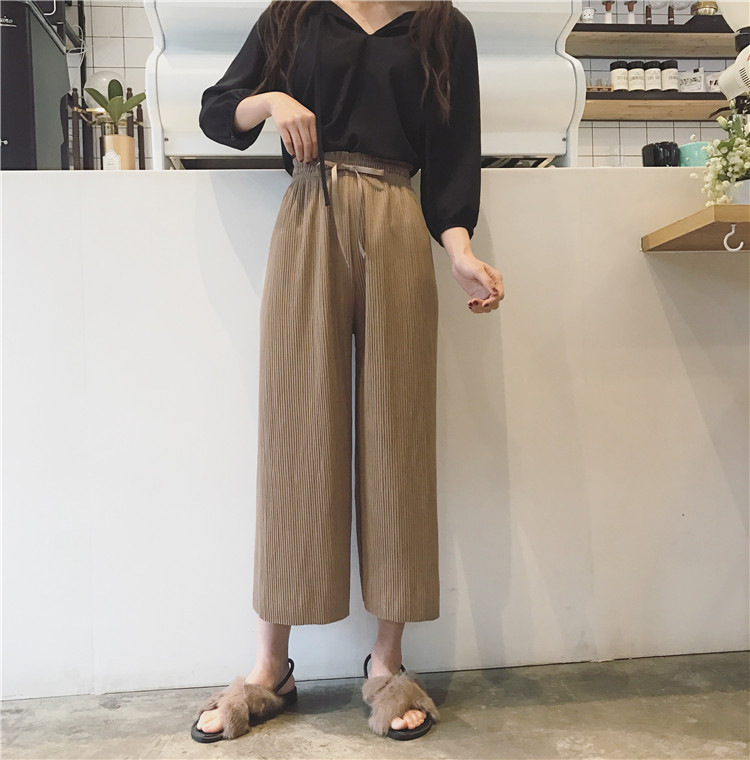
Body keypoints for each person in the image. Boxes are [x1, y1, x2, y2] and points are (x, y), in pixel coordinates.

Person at [191, 0, 504, 744]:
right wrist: (271, 99)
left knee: (398, 435)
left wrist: (460, 251)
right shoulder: (295, 16)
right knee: (297, 431)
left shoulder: (442, 28)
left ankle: (386, 662)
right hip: (309, 211)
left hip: (398, 218)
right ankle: (270, 666)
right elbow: (217, 112)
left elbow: (452, 154)